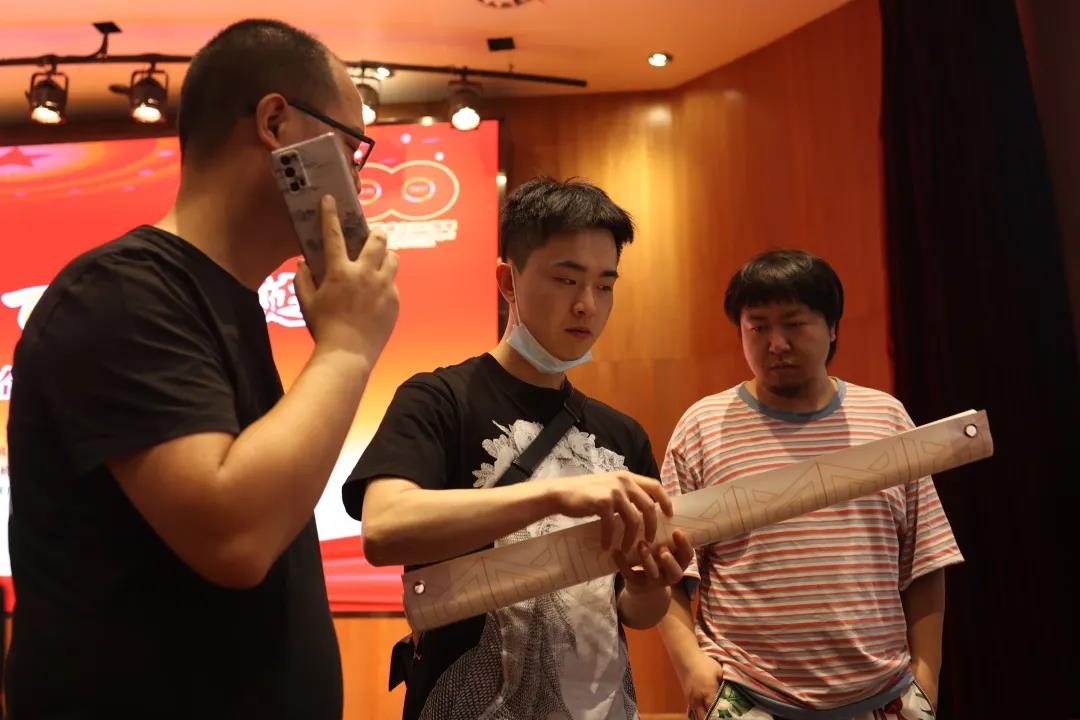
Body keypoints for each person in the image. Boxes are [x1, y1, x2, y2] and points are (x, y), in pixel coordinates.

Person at [5, 19, 398, 718]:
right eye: (350, 146)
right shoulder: (121, 292)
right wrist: (346, 346)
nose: (358, 180)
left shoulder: (217, 301)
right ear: (276, 123)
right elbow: (233, 536)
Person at [345, 177, 694, 720]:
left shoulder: (622, 434)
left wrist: (648, 586)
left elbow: (633, 612)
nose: (587, 305)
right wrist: (554, 496)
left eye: (605, 285)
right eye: (566, 280)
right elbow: (385, 529)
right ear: (508, 281)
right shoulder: (439, 399)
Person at [658, 250, 962, 720]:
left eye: (795, 324)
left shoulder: (886, 419)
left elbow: (925, 558)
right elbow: (667, 570)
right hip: (746, 695)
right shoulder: (703, 427)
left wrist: (927, 679)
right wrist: (691, 668)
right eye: (758, 327)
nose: (776, 343)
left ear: (833, 327)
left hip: (883, 695)